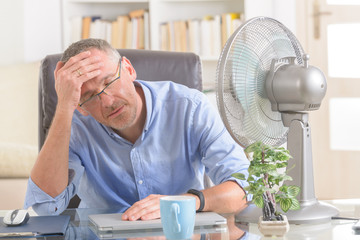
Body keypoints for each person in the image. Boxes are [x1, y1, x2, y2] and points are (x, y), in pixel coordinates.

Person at [24, 38, 250, 220]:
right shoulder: (74, 125)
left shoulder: (191, 107)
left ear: (129, 69)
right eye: (89, 96)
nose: (107, 101)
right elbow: (45, 207)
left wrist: (186, 202)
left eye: (109, 81)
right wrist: (64, 106)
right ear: (80, 107)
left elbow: (246, 188)